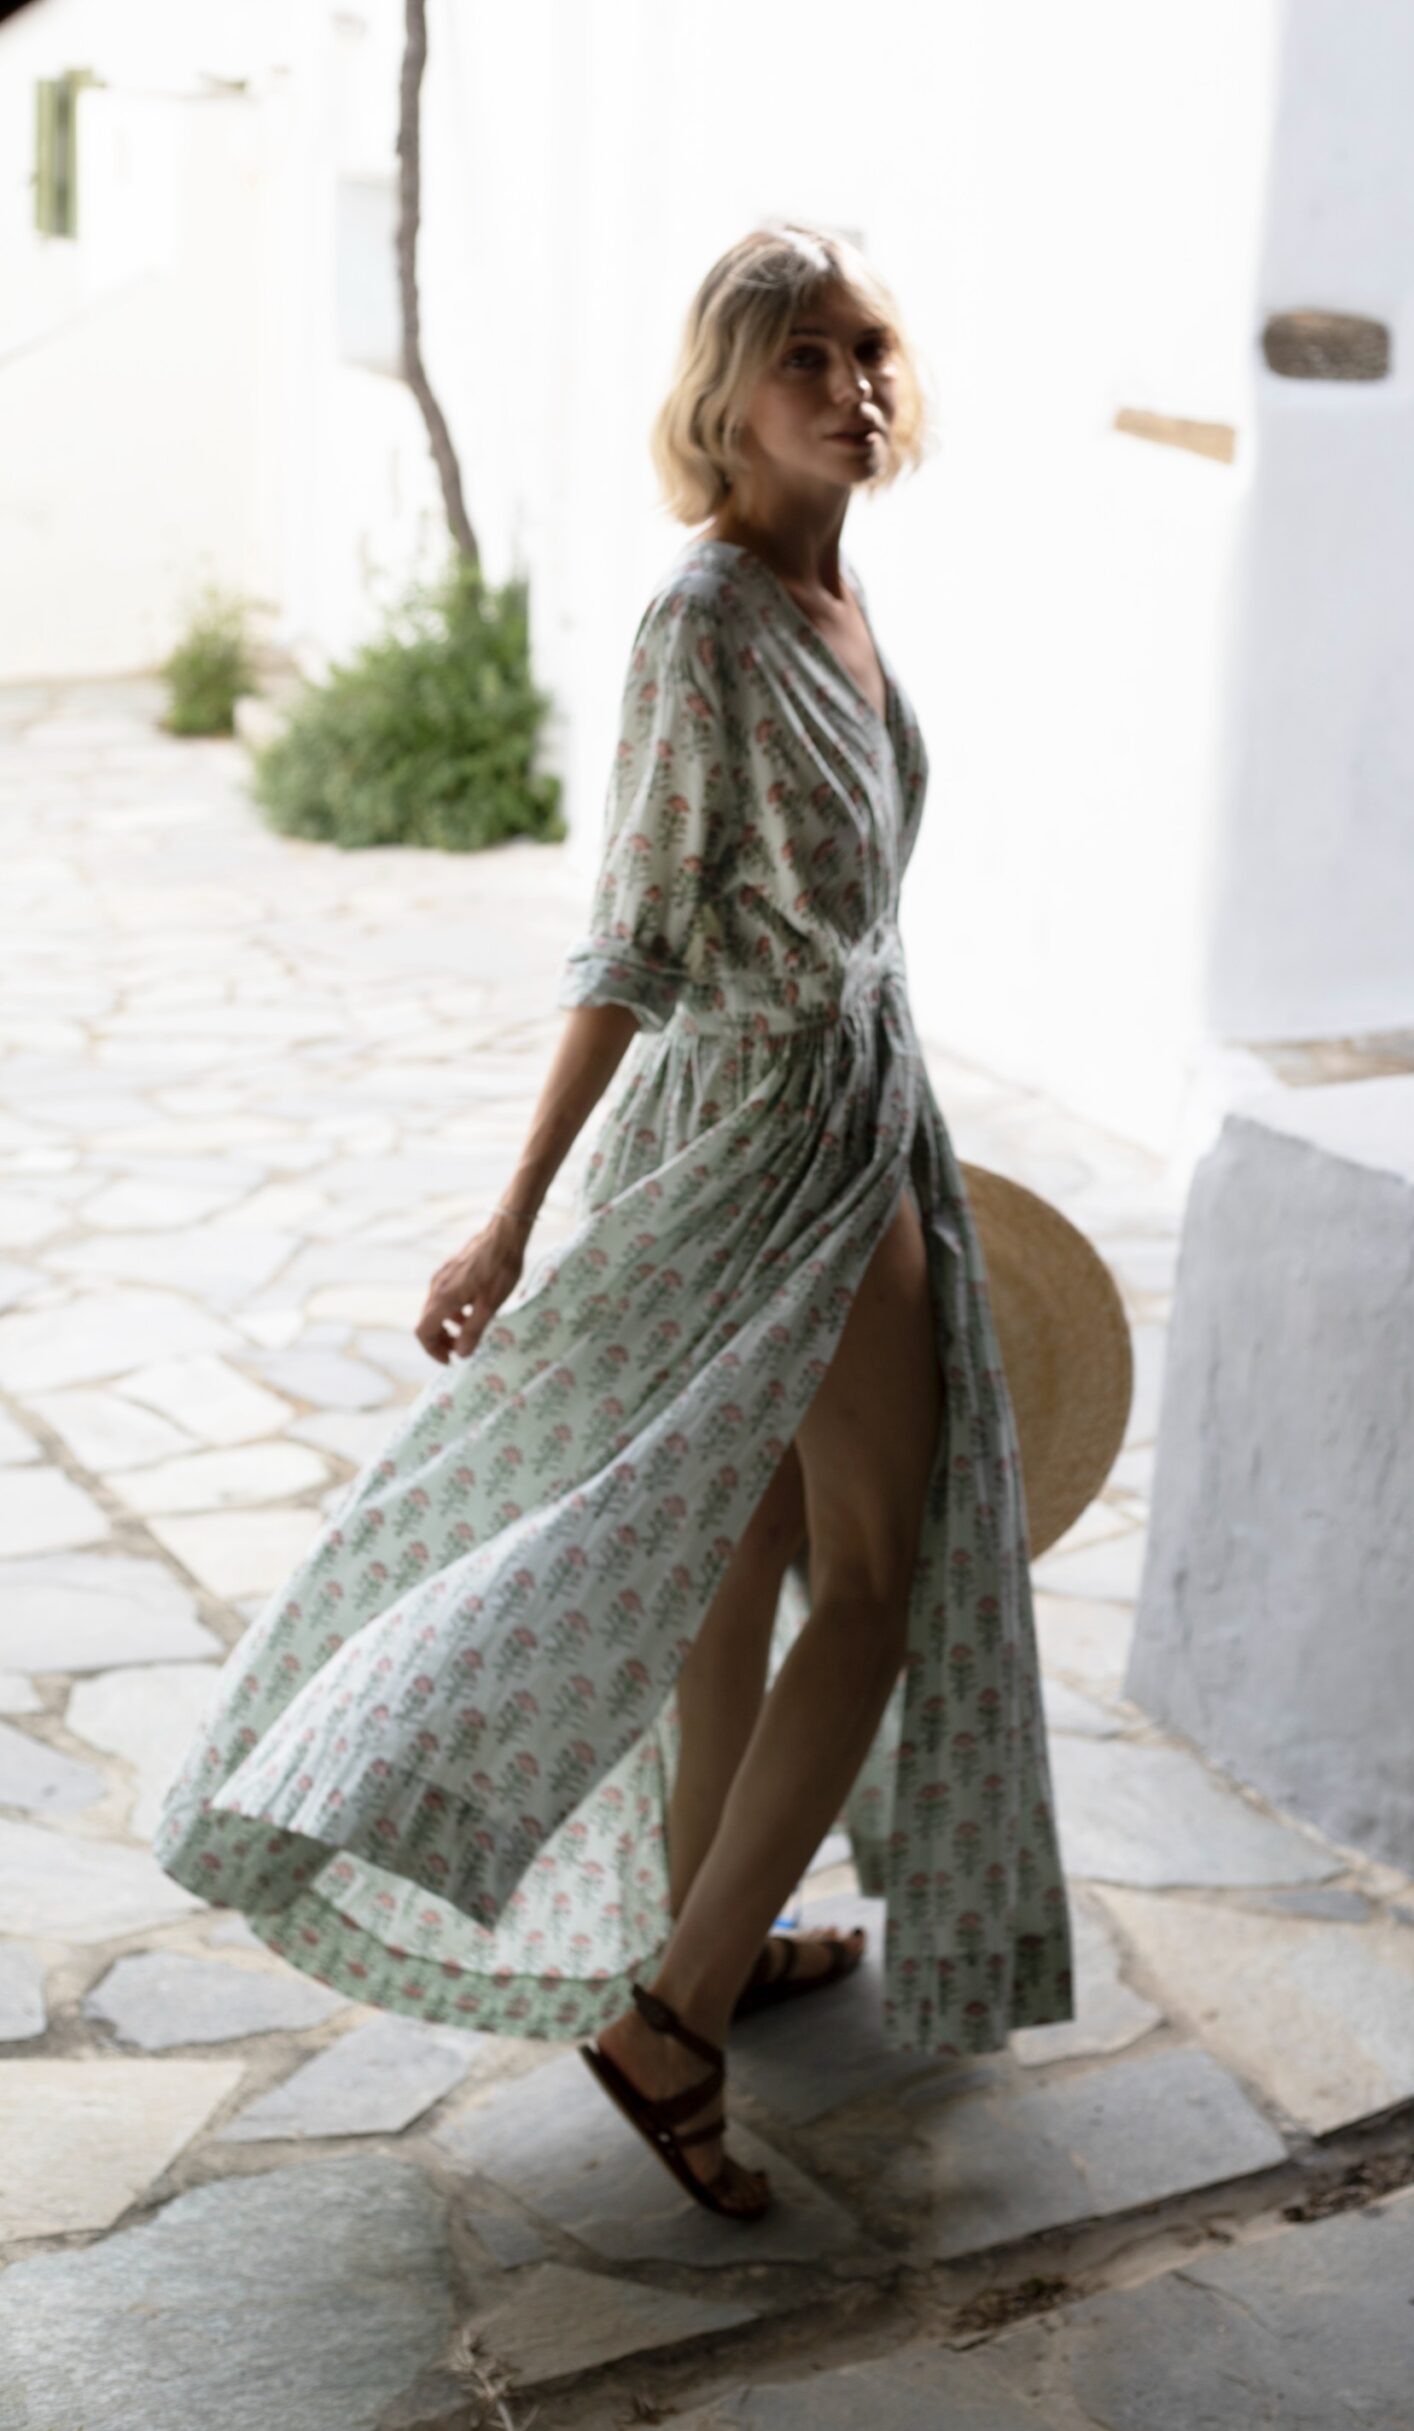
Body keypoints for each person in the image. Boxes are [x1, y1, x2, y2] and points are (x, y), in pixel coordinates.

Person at [153, 223, 1073, 2223]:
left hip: (853, 1102)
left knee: (746, 1543)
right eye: (802, 355)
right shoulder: (705, 618)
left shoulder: (836, 594)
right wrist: (509, 1215)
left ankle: (705, 1935)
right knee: (875, 1573)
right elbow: (631, 939)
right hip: (764, 1129)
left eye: (866, 346)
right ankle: (671, 2014)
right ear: (723, 397)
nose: (851, 382)